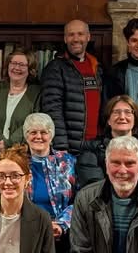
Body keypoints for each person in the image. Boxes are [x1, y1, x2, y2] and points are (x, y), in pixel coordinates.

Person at [76, 95, 138, 193]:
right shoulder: (92, 149)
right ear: (108, 120)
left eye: (128, 112)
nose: (122, 117)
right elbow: (92, 186)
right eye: (116, 112)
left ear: (135, 119)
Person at [22, 113, 75, 253]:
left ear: (51, 136)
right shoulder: (18, 162)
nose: (39, 136)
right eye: (33, 132)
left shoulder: (66, 160)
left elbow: (78, 200)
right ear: (26, 136)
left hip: (62, 230)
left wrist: (61, 224)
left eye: (44, 132)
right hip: (27, 230)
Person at [40, 19, 105, 154]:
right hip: (70, 148)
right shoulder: (56, 68)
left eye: (80, 34)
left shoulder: (97, 67)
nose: (76, 39)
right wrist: (62, 148)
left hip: (96, 145)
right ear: (65, 39)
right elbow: (53, 110)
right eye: (71, 35)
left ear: (88, 37)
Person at [0, 47, 41, 149]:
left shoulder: (36, 93)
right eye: (13, 63)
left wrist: (9, 143)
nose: (16, 68)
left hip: (21, 150)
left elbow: (34, 122)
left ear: (30, 69)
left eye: (21, 65)